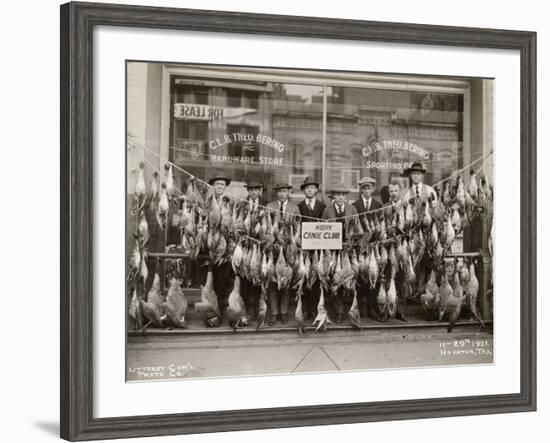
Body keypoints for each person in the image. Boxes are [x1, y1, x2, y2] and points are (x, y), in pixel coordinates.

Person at [322, 183, 357, 323]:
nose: (340, 197)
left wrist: (352, 242)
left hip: (348, 249)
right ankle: (339, 311)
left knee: (348, 278)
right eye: (338, 195)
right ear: (334, 196)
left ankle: (350, 309)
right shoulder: (327, 210)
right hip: (333, 249)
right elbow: (323, 230)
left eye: (343, 195)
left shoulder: (352, 209)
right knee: (334, 279)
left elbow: (356, 228)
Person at [266, 182, 300, 325]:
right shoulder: (269, 206)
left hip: (288, 250)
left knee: (286, 280)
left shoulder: (294, 208)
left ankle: (284, 312)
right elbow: (266, 226)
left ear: (288, 193)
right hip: (273, 248)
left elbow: (298, 227)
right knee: (273, 281)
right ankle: (274, 313)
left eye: (284, 191)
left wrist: (292, 242)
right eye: (279, 191)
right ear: (276, 193)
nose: (282, 194)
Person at [402, 162, 435, 297]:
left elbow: (435, 209)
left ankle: (423, 289)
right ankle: (413, 290)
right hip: (413, 233)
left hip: (428, 232)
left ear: (422, 175)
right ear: (410, 176)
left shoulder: (430, 190)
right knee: (414, 260)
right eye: (413, 174)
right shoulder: (406, 193)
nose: (415, 176)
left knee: (427, 261)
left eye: (418, 174)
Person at [353, 176, 383, 320]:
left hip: (374, 247)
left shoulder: (379, 205)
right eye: (364, 188)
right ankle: (359, 308)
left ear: (372, 189)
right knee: (360, 277)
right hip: (360, 247)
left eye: (368, 188)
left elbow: (381, 226)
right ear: (360, 189)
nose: (366, 191)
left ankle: (372, 308)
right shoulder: (354, 205)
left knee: (374, 277)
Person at [297, 176, 326, 320]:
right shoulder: (299, 206)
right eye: (307, 188)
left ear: (316, 190)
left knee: (316, 279)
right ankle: (305, 309)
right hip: (303, 247)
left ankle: (315, 309)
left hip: (317, 248)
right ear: (304, 190)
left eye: (312, 187)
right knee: (305, 277)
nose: (310, 190)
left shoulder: (322, 206)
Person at [206, 171, 233, 320]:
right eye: (217, 184)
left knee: (224, 278)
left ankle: (222, 308)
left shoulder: (230, 201)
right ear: (213, 186)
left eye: (222, 184)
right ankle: (211, 307)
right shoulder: (208, 200)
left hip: (226, 246)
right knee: (211, 278)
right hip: (211, 244)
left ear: (225, 187)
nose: (220, 186)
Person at [241, 180, 267, 320]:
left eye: (256, 189)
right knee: (246, 277)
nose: (253, 192)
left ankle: (258, 306)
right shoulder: (242, 204)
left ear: (259, 190)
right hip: (246, 246)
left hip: (260, 246)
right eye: (251, 189)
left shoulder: (266, 205)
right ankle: (248, 307)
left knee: (258, 277)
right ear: (248, 191)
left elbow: (268, 227)